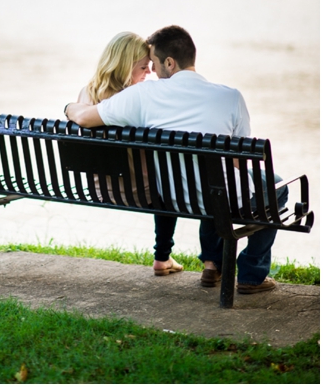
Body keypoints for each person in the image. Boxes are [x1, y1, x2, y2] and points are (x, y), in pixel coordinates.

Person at [66, 25, 286, 295]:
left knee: (213, 181)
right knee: (274, 187)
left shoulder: (142, 95)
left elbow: (87, 117)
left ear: (169, 63)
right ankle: (252, 274)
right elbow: (238, 163)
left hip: (172, 196)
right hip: (212, 198)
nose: (153, 74)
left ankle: (212, 263)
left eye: (154, 66)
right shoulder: (231, 97)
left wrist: (68, 107)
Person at [65, 31, 183, 277]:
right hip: (140, 193)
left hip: (98, 190)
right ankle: (162, 257)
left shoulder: (86, 93)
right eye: (143, 67)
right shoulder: (135, 99)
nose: (149, 72)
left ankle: (164, 257)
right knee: (172, 186)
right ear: (126, 66)